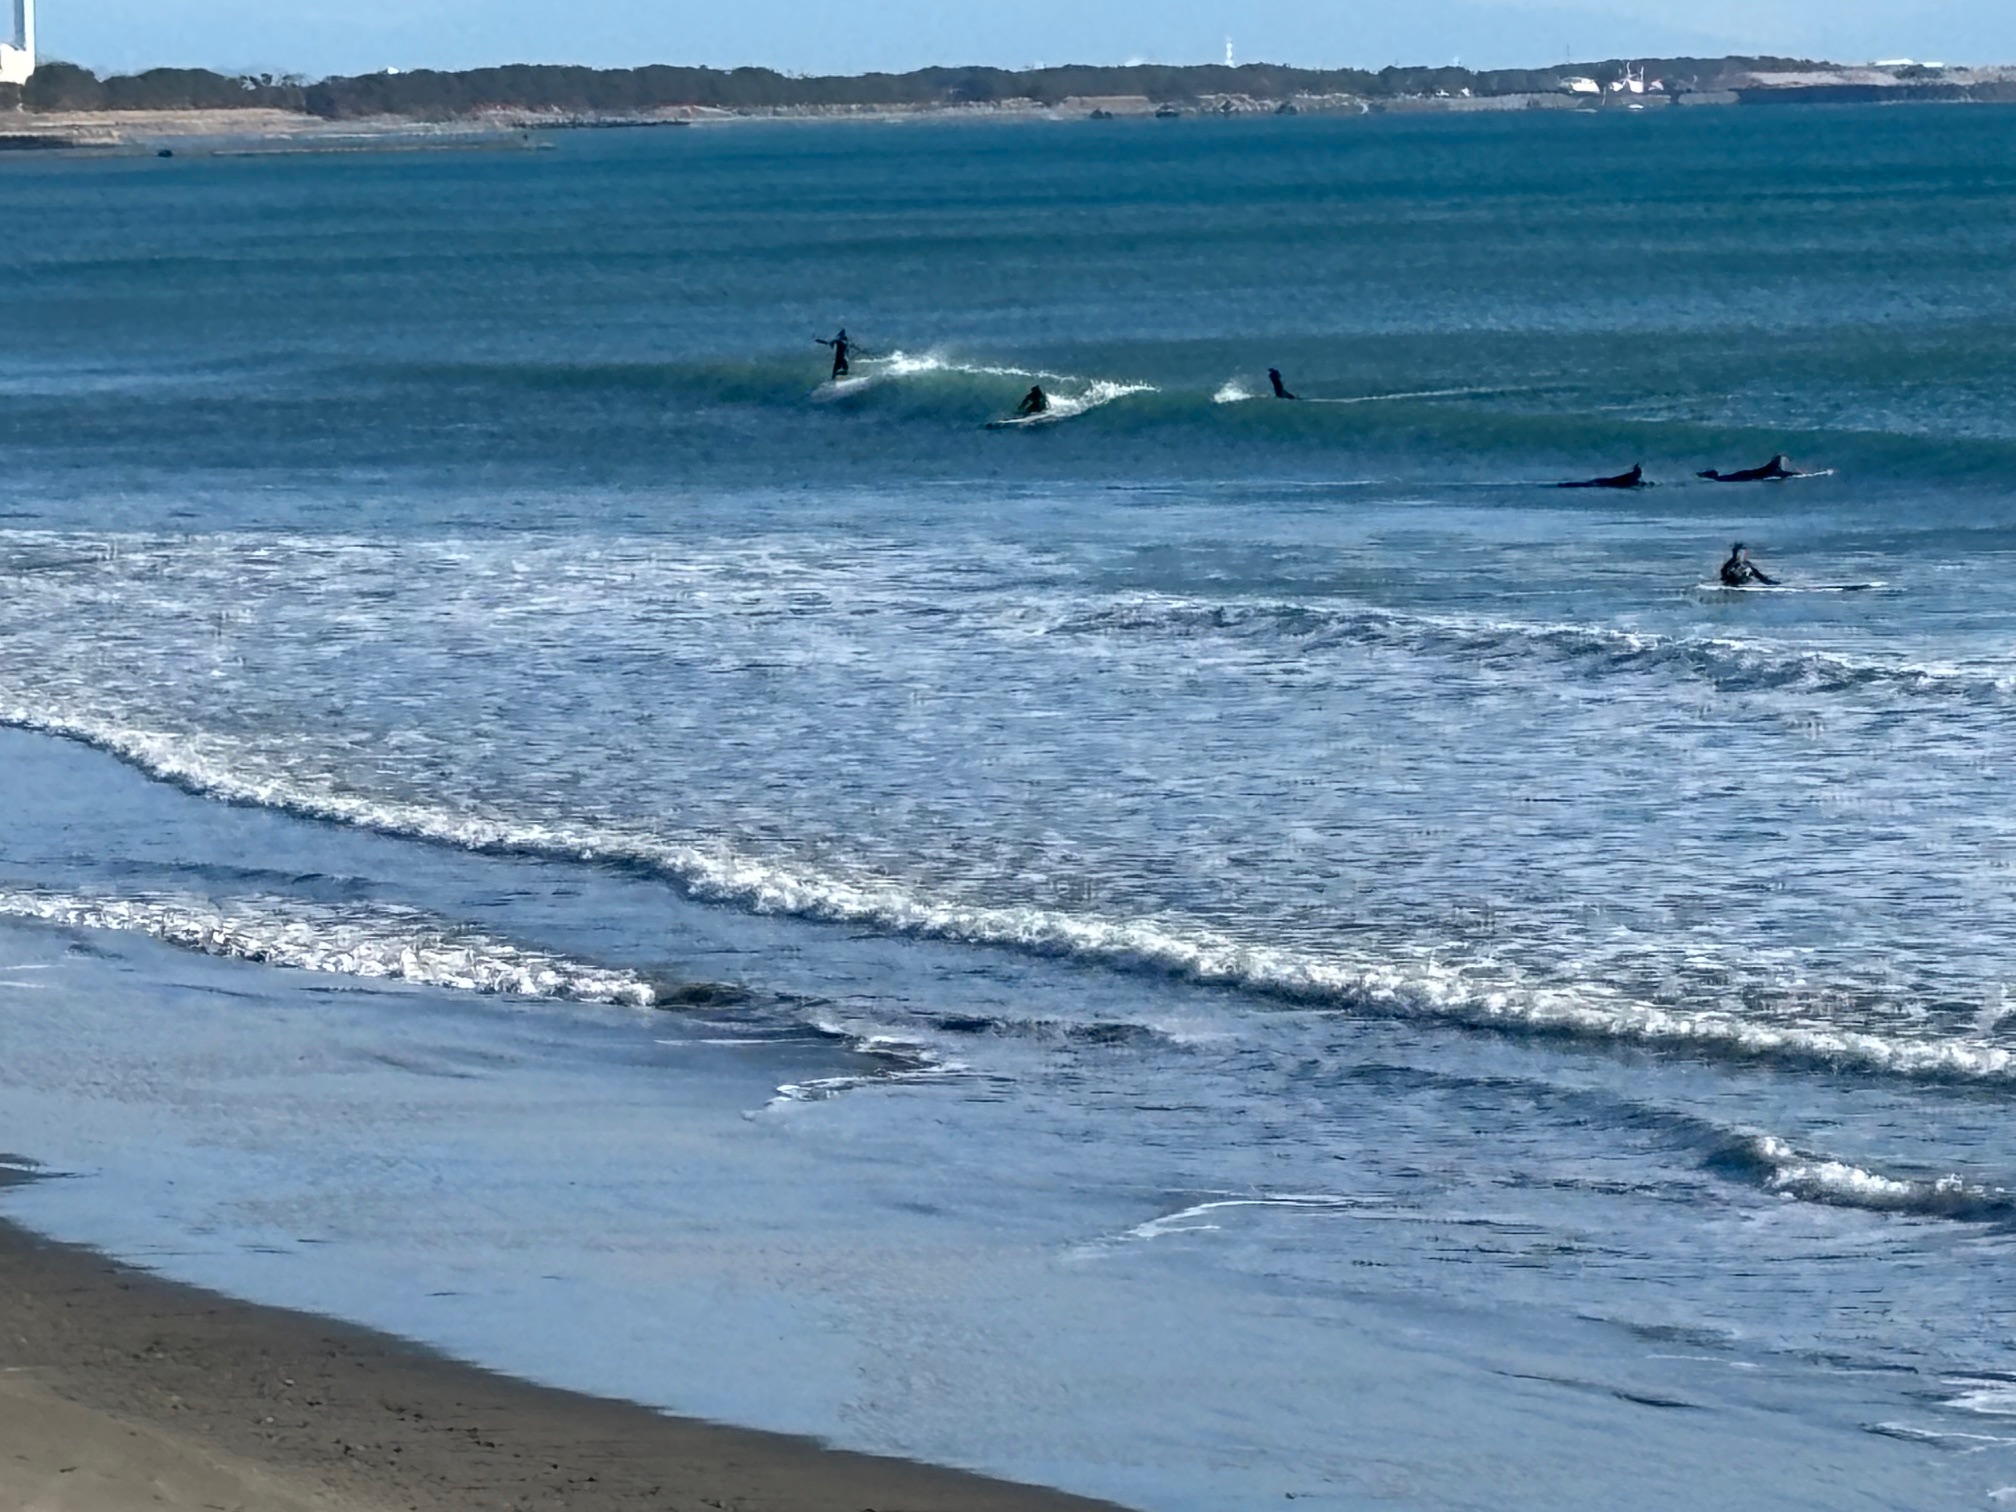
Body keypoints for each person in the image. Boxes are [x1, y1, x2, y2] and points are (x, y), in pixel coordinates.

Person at [1699, 453, 1798, 483]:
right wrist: (1799, 475)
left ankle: (1710, 475)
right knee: (1724, 479)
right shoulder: (1774, 470)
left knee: (1726, 478)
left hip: (1747, 474)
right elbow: (1784, 474)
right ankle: (1710, 475)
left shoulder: (1772, 469)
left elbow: (1783, 473)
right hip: (1748, 475)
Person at [1559, 463, 1645, 489]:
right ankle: (1565, 485)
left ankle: (1565, 485)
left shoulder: (1631, 479)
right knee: (1586, 485)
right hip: (1603, 482)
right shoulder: (1631, 480)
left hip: (1603, 481)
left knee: (1587, 484)